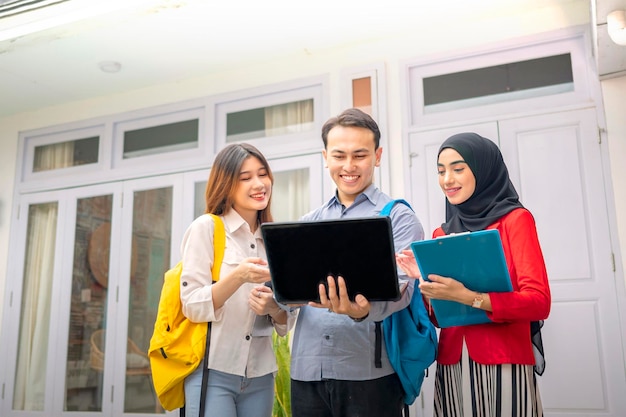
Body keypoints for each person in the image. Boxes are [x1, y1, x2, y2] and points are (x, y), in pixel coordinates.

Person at [396, 132, 551, 417]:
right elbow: (438, 318)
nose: (447, 180)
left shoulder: (515, 220)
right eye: (441, 171)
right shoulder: (440, 234)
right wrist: (425, 283)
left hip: (504, 359)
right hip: (453, 363)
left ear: (482, 169)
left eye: (458, 169)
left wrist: (470, 298)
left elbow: (538, 302)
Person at [289, 108, 425, 417]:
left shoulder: (399, 218)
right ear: (325, 157)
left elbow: (403, 291)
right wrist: (272, 299)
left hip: (370, 373)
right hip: (307, 371)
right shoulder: (308, 223)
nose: (348, 166)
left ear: (377, 156)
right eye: (339, 156)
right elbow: (292, 296)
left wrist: (361, 311)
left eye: (359, 155)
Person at [179, 143, 296, 417]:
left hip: (261, 374)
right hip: (213, 371)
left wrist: (273, 308)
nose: (258, 184)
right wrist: (238, 276)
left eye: (263, 174)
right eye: (245, 178)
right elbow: (192, 305)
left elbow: (288, 319)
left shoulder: (275, 240)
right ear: (226, 184)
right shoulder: (206, 228)